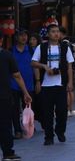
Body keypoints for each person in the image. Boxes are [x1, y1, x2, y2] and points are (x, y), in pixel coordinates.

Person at [31, 24, 74, 145]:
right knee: (47, 112)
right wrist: (44, 66)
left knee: (62, 111)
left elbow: (70, 66)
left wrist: (70, 82)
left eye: (58, 31)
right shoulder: (42, 47)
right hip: (46, 85)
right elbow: (33, 62)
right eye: (53, 31)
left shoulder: (65, 47)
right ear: (48, 34)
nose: (56, 34)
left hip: (60, 84)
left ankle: (60, 131)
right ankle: (48, 136)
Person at [1, 30, 32, 161]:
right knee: (5, 125)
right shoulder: (7, 55)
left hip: (5, 96)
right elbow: (17, 76)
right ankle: (8, 153)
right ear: (1, 40)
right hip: (3, 97)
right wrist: (25, 92)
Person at [10, 29, 35, 139]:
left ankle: (28, 127)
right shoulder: (11, 51)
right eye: (21, 35)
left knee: (28, 107)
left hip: (29, 84)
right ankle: (17, 130)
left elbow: (35, 66)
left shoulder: (30, 50)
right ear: (16, 38)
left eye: (25, 35)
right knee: (14, 109)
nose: (24, 37)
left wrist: (38, 81)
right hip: (14, 84)